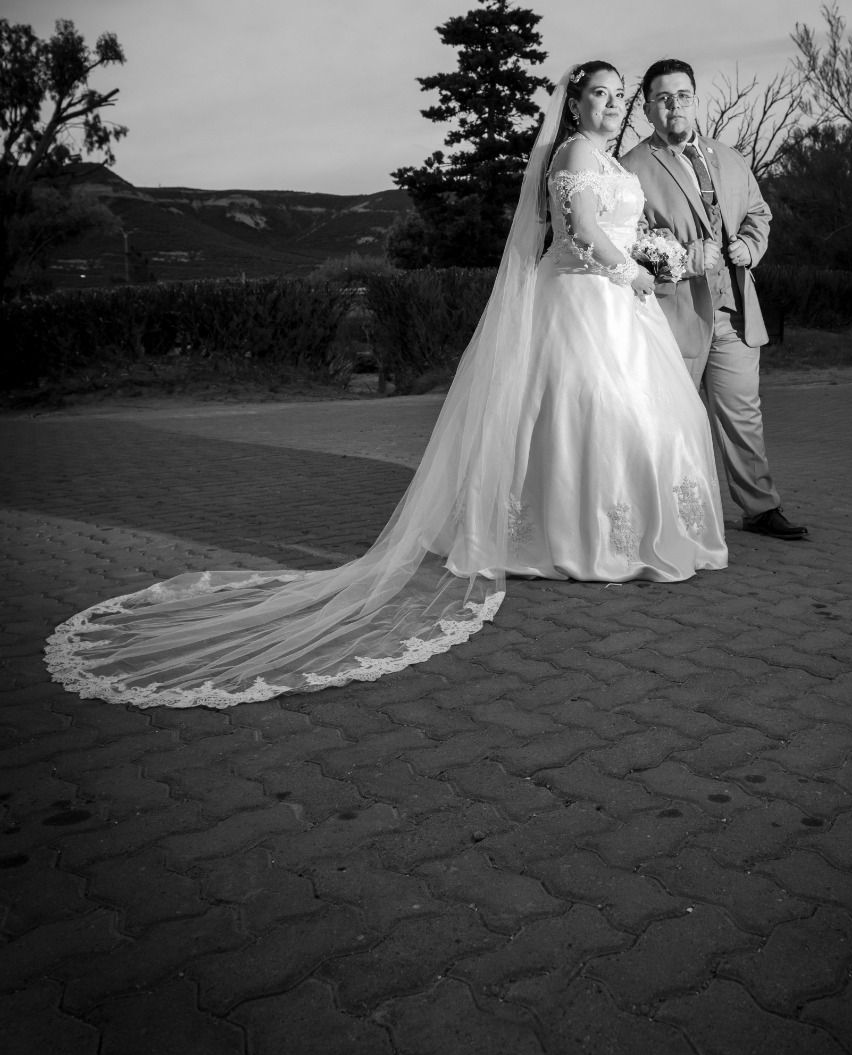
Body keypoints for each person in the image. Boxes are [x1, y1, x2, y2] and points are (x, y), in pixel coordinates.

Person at [45, 63, 726, 710]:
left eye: (616, 94)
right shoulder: (576, 155)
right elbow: (579, 234)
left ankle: (622, 533)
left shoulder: (611, 161)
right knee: (585, 411)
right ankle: (579, 539)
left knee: (628, 415)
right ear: (574, 104)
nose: (610, 103)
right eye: (597, 94)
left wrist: (645, 256)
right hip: (582, 301)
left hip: (617, 305)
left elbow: (617, 228)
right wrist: (633, 270)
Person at [621, 58, 808, 541]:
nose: (674, 105)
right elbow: (627, 242)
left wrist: (751, 244)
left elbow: (758, 213)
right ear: (647, 108)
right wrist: (686, 256)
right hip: (673, 315)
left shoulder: (731, 158)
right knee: (669, 423)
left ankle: (760, 508)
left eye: (683, 95)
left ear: (695, 100)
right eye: (663, 98)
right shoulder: (631, 168)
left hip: (735, 310)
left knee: (743, 416)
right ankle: (668, 515)